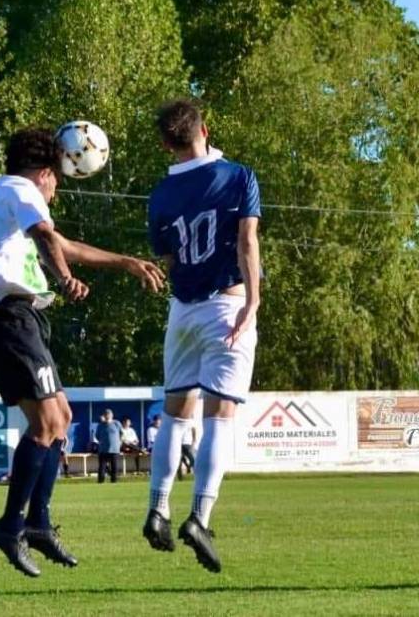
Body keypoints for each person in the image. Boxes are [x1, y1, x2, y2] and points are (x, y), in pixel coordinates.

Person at [0, 128, 165, 577]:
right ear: (42, 173)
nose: (56, 188)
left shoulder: (2, 195)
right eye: (56, 178)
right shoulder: (20, 188)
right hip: (7, 315)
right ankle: (11, 524)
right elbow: (48, 237)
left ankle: (36, 523)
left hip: (13, 316)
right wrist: (64, 278)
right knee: (47, 423)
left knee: (63, 418)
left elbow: (60, 243)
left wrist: (126, 262)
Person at [142, 100, 261, 574]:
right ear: (204, 130)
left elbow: (168, 258)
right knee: (220, 417)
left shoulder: (160, 195)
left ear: (165, 144)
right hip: (226, 304)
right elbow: (247, 240)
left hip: (182, 311)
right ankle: (200, 518)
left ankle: (157, 508)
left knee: (175, 413)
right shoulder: (238, 176)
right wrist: (252, 300)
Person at [95, 408, 123, 483]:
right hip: (103, 450)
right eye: (106, 414)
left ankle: (114, 481)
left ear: (112, 415)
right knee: (102, 467)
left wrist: (119, 442)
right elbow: (97, 436)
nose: (107, 416)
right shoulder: (100, 425)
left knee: (114, 467)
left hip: (114, 449)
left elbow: (121, 433)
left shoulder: (117, 423)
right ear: (104, 416)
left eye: (109, 414)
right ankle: (100, 482)